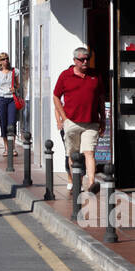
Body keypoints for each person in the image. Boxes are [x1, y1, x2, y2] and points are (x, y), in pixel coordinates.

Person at [53, 46, 106, 191]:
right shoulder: (65, 75)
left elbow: (101, 98)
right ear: (75, 60)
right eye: (82, 59)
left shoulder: (95, 75)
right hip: (72, 122)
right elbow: (56, 96)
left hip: (91, 122)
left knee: (89, 152)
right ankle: (76, 182)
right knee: (73, 155)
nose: (85, 62)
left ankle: (91, 183)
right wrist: (63, 118)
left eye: (87, 59)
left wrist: (104, 119)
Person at [0, 52, 20, 163]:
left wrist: (15, 88)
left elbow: (18, 85)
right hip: (1, 99)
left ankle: (12, 147)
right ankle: (6, 147)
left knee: (12, 122)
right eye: (3, 59)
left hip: (12, 99)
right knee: (3, 122)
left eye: (7, 59)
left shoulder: (15, 71)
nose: (5, 61)